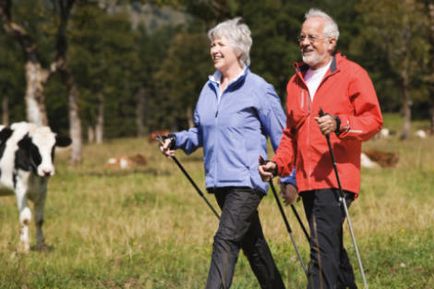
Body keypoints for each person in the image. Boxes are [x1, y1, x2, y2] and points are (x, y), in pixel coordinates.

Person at [159, 18, 295, 289]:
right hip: (219, 180)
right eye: (212, 44)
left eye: (221, 43)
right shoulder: (208, 89)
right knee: (253, 245)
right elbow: (202, 132)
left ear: (239, 50)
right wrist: (176, 139)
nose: (214, 49)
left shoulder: (259, 89)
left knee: (225, 239)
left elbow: (283, 138)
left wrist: (288, 179)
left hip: (248, 180)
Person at [258, 8, 383, 289]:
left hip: (336, 178)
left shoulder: (352, 75)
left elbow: (373, 121)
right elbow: (290, 134)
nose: (304, 42)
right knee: (330, 249)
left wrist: (341, 123)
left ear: (331, 42)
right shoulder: (295, 82)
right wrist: (278, 165)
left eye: (311, 37)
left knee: (320, 251)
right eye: (301, 37)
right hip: (306, 181)